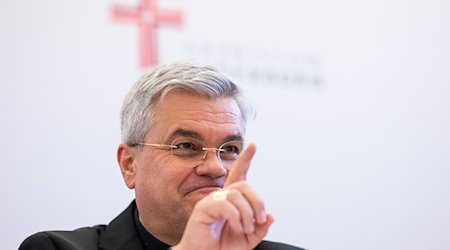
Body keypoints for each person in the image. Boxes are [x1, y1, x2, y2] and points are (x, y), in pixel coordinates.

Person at [19, 62, 304, 250]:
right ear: (129, 165)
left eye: (229, 150)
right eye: (186, 146)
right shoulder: (53, 247)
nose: (216, 168)